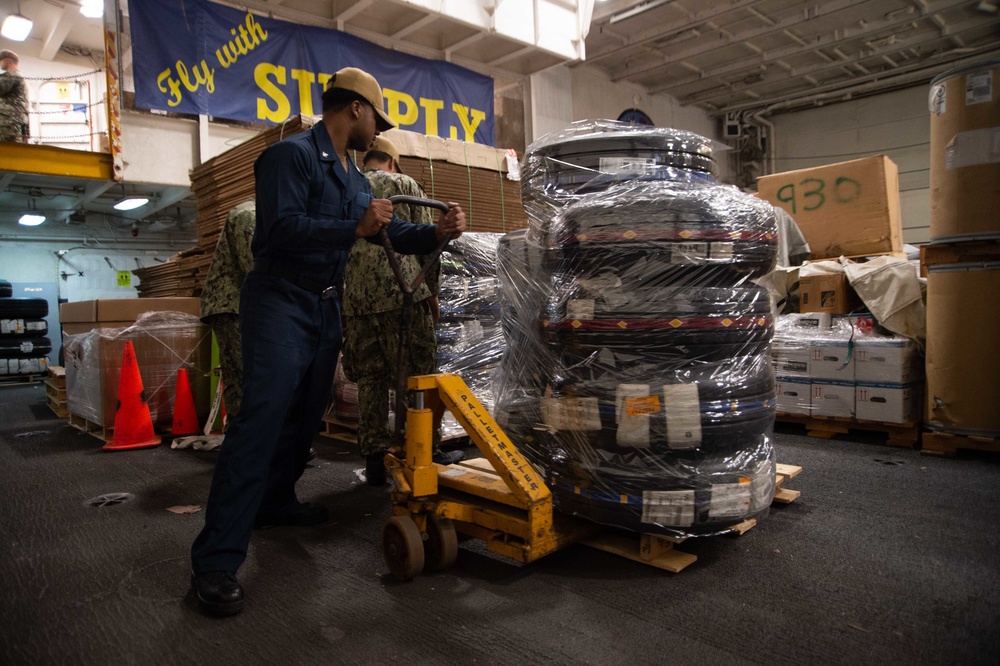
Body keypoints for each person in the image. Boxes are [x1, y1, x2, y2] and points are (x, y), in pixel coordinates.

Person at [189, 67, 466, 617]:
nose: (376, 132)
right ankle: (216, 561)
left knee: (305, 414)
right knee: (260, 420)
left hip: (323, 304)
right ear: (356, 110)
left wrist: (435, 233)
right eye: (376, 119)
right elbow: (280, 228)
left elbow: (383, 231)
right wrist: (354, 228)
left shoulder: (349, 174)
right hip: (279, 301)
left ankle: (275, 500)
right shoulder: (289, 157)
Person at [343, 136, 464, 486]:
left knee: (371, 379)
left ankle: (376, 460)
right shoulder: (404, 185)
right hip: (402, 293)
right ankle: (424, 451)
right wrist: (434, 294)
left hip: (359, 300)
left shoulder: (350, 186)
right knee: (419, 375)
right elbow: (431, 242)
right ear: (393, 162)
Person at [0, 50, 28, 143]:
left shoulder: (12, 76)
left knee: (9, 151)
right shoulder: (14, 76)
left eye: (1, 60)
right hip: (10, 121)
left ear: (8, 61)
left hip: (8, 122)